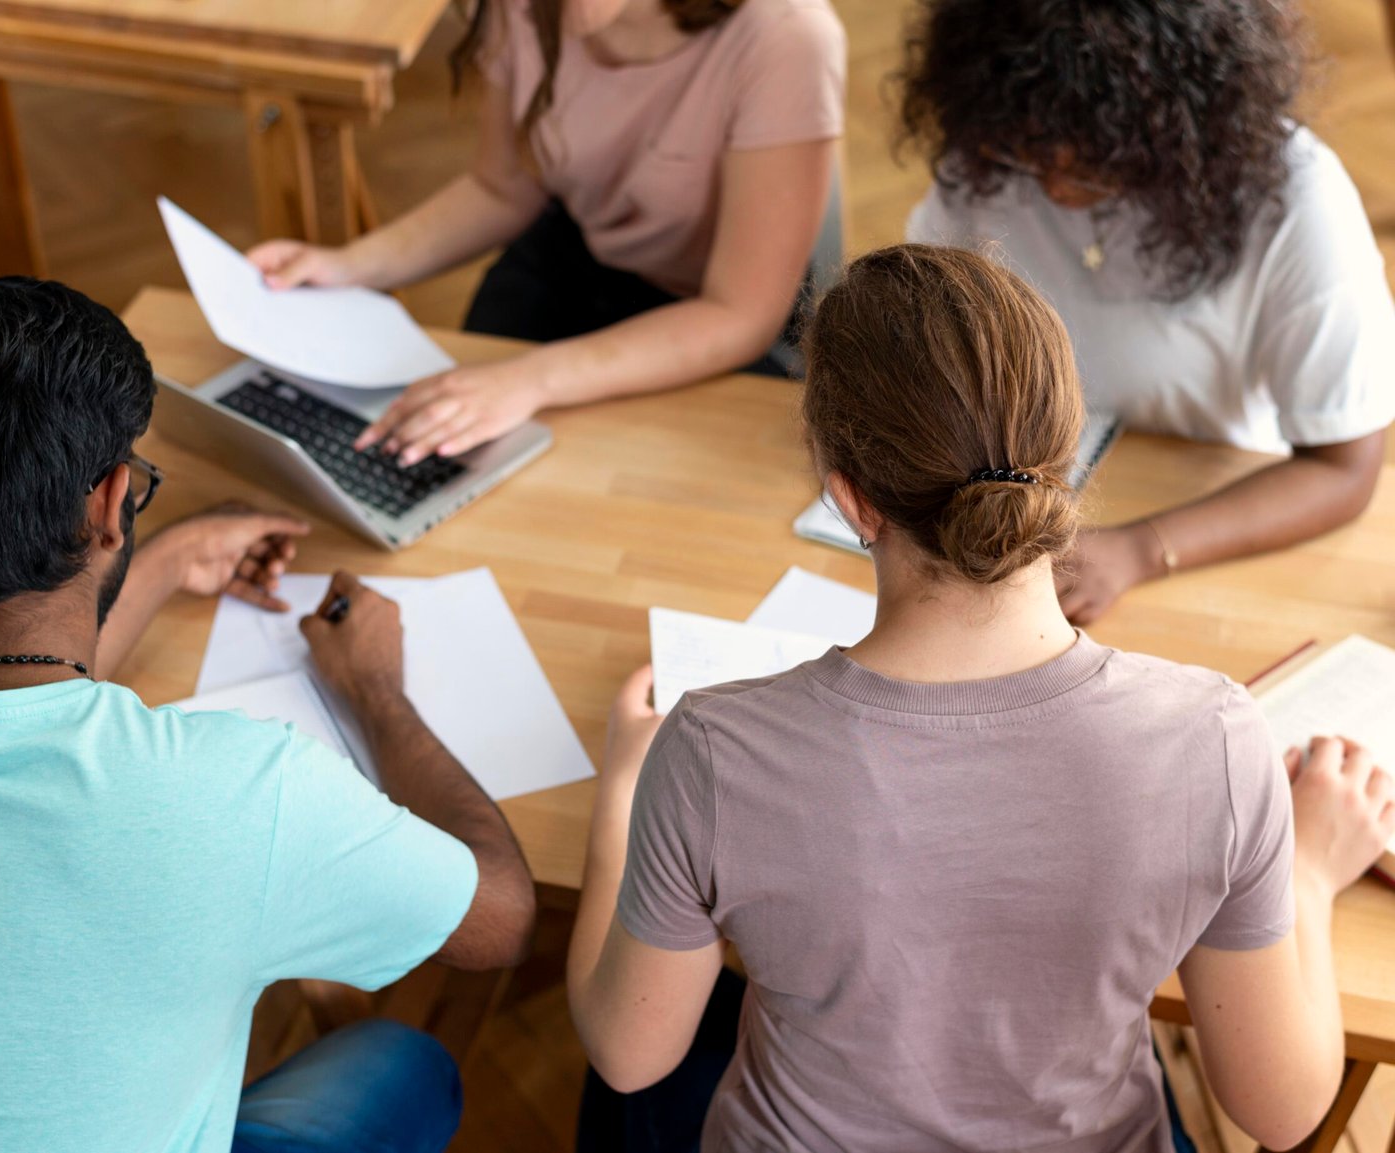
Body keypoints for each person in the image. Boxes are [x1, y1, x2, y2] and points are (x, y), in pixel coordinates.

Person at [566, 245, 1395, 1152]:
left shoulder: (709, 752)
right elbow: (1282, 1110)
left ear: (849, 498)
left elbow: (628, 1051)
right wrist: (1308, 876)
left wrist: (621, 794)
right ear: (1066, 457)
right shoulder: (1215, 739)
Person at [0, 277, 536, 1153]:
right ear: (111, 502)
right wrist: (376, 688)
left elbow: (5, 684)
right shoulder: (244, 795)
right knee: (403, 1062)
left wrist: (174, 554)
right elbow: (499, 918)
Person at [896, 0, 1395, 624]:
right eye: (1034, 151)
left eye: (1093, 159)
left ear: (1177, 121)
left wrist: (1139, 548)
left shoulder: (1295, 201)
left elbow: (1343, 469)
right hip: (1019, 520)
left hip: (1206, 532)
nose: (1054, 185)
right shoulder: (991, 160)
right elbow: (924, 351)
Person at [246, 0, 845, 466]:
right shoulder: (523, 9)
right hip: (574, 257)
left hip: (717, 315)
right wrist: (350, 264)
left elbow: (739, 313)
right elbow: (503, 188)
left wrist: (532, 379)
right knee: (455, 441)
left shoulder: (786, 37)